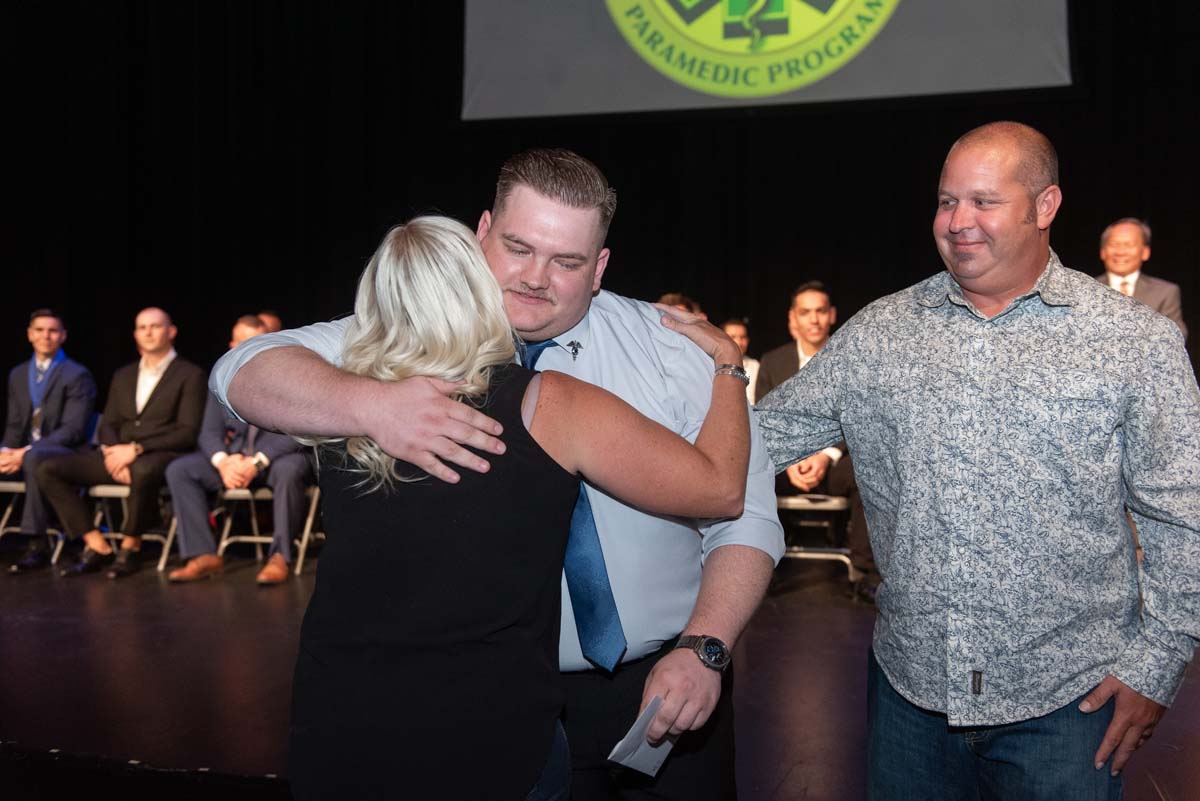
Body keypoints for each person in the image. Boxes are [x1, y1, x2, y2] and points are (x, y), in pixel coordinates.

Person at [211, 148, 784, 801]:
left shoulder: (677, 349)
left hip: (666, 682)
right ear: (481, 231)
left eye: (566, 261)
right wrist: (372, 403)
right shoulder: (400, 336)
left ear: (599, 267)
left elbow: (743, 512)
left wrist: (706, 647)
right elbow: (240, 371)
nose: (536, 277)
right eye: (518, 247)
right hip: (490, 710)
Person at [755, 121, 1200, 800]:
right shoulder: (881, 332)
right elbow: (759, 438)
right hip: (910, 701)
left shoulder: (1135, 342)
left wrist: (1156, 667)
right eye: (945, 201)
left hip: (1070, 709)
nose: (958, 222)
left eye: (983, 201)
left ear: (1045, 206)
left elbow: (1183, 515)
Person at [38, 307, 206, 579]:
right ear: (135, 334)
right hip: (118, 454)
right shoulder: (124, 375)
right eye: (142, 327)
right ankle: (96, 544)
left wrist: (137, 450)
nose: (148, 332)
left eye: (155, 326)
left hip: (161, 454)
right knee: (48, 469)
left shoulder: (189, 374)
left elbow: (187, 431)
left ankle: (131, 546)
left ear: (171, 332)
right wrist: (112, 453)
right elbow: (108, 425)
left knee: (142, 470)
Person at [165, 315, 313, 585]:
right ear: (232, 345)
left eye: (257, 343)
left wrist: (255, 462)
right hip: (235, 461)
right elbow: (208, 432)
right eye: (243, 343)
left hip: (274, 459)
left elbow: (298, 432)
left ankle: (280, 556)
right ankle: (203, 554)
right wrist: (223, 462)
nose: (249, 350)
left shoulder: (290, 378)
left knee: (289, 470)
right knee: (182, 469)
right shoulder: (221, 379)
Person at [755, 283, 878, 600]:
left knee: (870, 469)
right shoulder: (773, 361)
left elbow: (861, 420)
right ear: (792, 319)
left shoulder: (852, 362)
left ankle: (865, 573)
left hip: (834, 463)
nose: (814, 319)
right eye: (805, 312)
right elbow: (766, 422)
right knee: (750, 470)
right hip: (785, 464)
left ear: (832, 315)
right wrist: (792, 459)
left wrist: (826, 456)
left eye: (820, 311)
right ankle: (754, 570)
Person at [3, 309, 96, 574]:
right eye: (40, 330)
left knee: (34, 459)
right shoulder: (18, 374)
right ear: (30, 334)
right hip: (25, 451)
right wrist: (6, 452)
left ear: (62, 336)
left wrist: (27, 451)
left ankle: (36, 543)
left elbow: (74, 430)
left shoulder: (76, 374)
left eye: (53, 331)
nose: (46, 336)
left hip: (64, 452)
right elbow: (13, 425)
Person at [1095, 217, 1186, 337]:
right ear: (1103, 252)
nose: (1121, 252)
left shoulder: (1165, 292)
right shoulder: (1085, 289)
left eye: (1128, 245)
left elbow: (1176, 335)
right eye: (1114, 244)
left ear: (1145, 252)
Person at [721, 318, 759, 403]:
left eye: (743, 337)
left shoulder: (755, 367)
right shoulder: (710, 365)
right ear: (722, 339)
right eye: (733, 337)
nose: (739, 342)